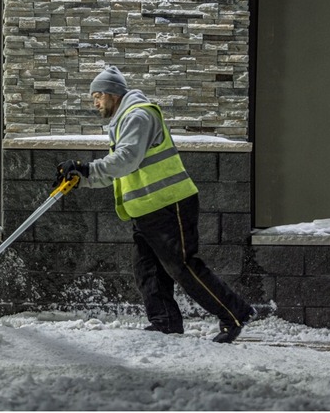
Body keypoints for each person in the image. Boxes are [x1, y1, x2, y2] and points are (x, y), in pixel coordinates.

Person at [56, 66, 255, 343]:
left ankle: (234, 313)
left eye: (98, 96)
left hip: (169, 204)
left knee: (182, 266)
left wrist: (87, 168)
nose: (96, 103)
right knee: (147, 269)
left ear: (113, 94)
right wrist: (81, 178)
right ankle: (165, 323)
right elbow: (119, 170)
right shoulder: (125, 119)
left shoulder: (138, 116)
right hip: (147, 209)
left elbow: (126, 160)